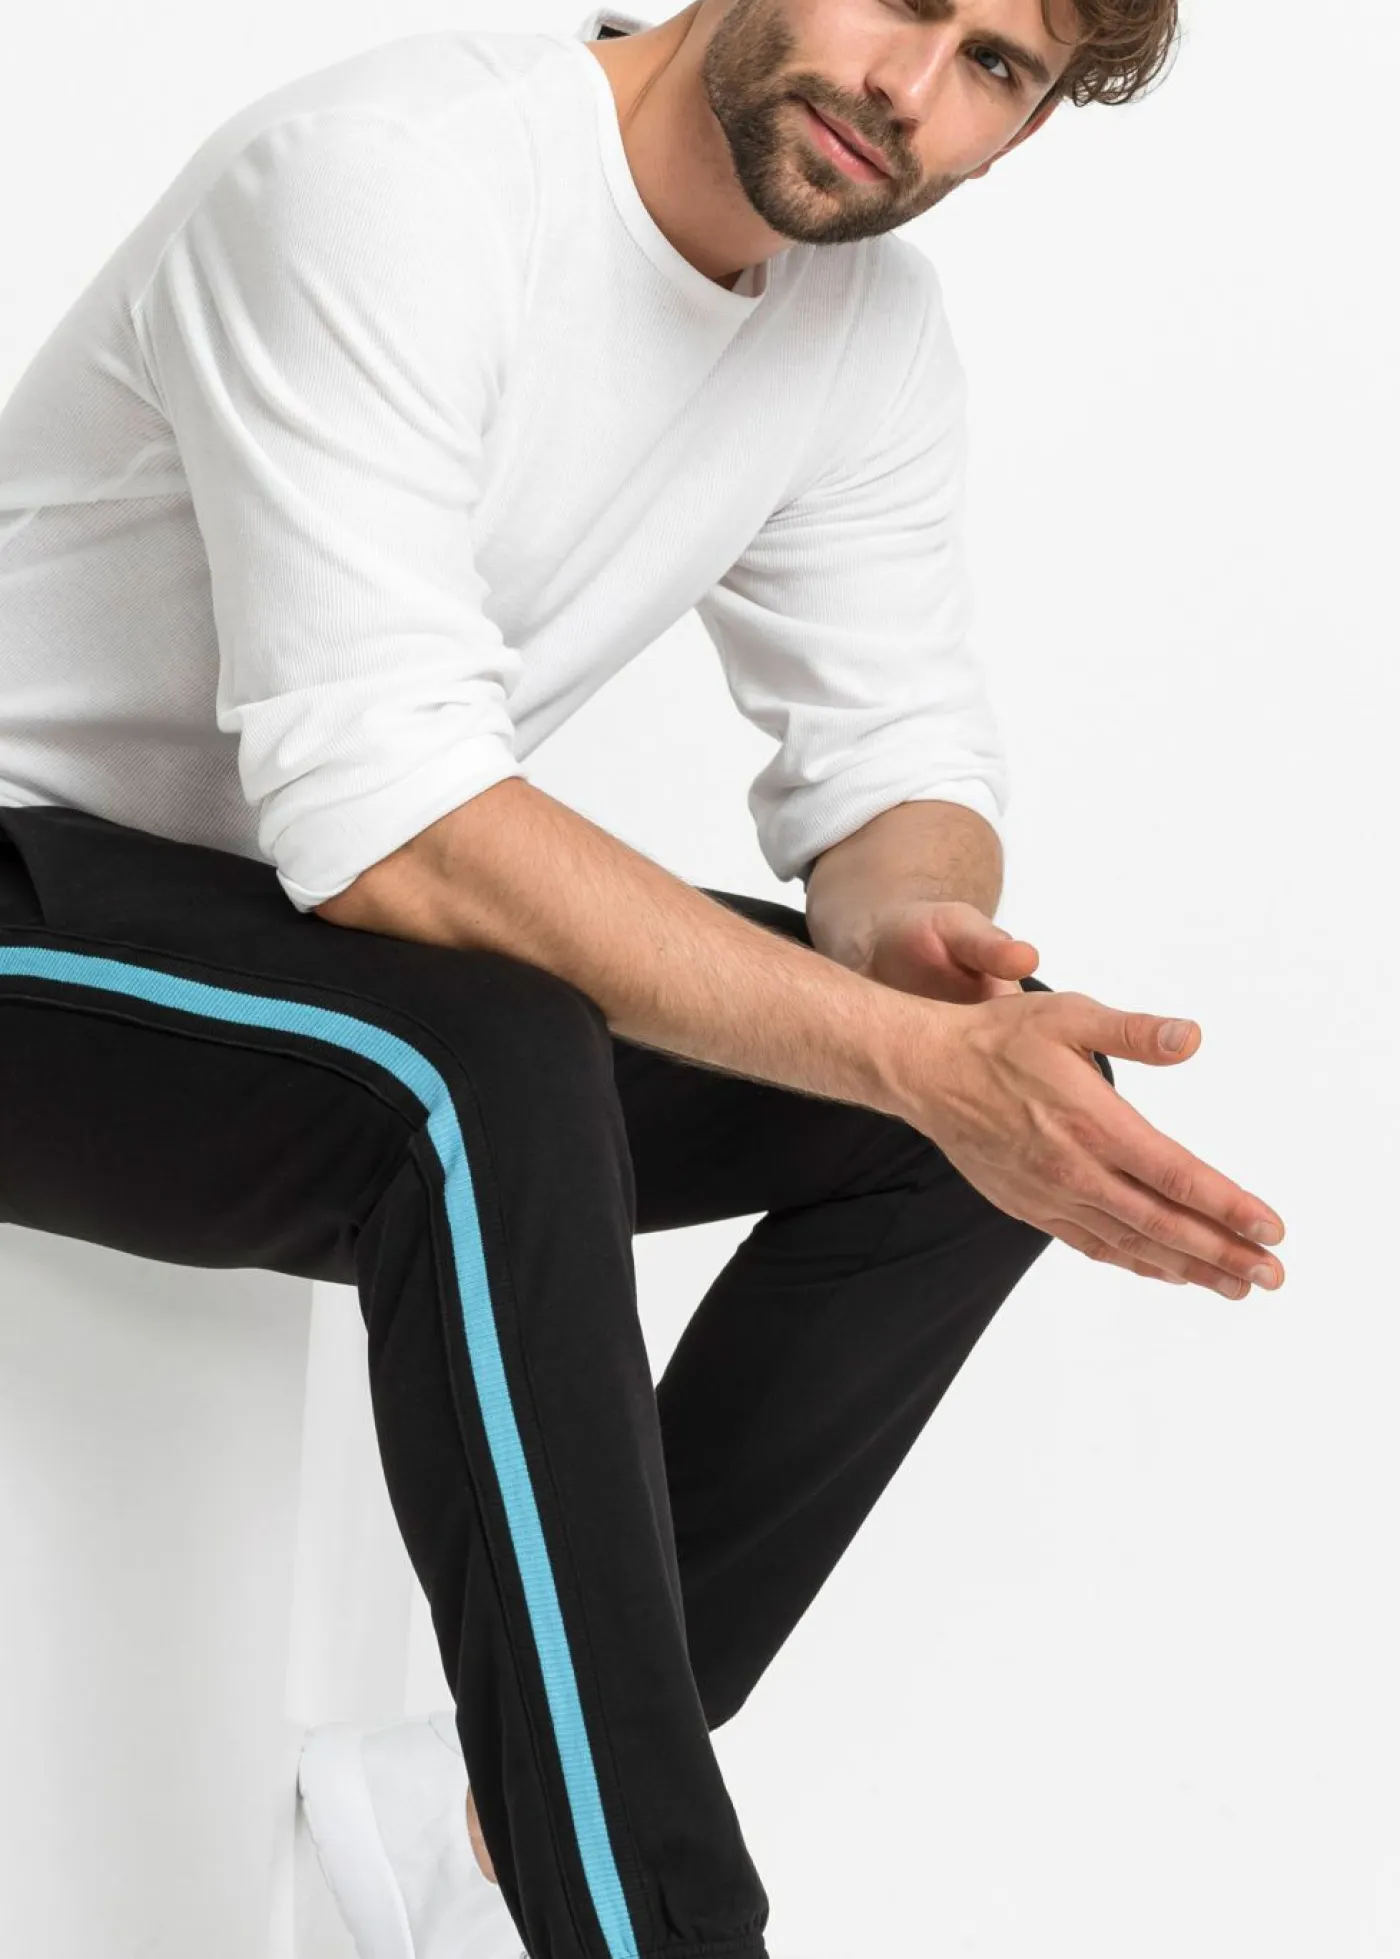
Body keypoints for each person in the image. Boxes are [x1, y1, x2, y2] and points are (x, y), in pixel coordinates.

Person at [0, 4, 1286, 1957]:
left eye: (994, 66)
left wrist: (918, 952)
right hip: (33, 886)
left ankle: (470, 1815)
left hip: (272, 932)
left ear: (1024, 134)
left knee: (980, 1120)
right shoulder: (397, 181)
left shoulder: (862, 332)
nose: (907, 90)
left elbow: (894, 759)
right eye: (902, 1)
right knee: (487, 1056)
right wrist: (899, 1050)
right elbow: (389, 822)